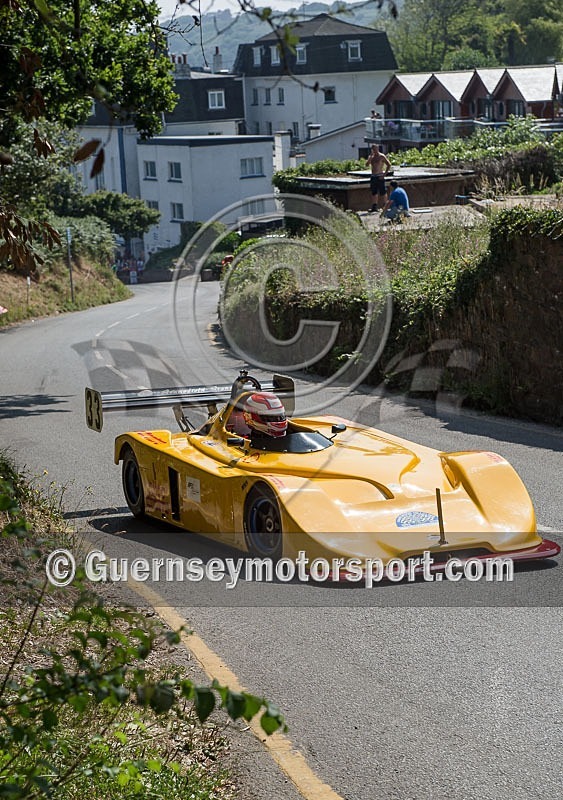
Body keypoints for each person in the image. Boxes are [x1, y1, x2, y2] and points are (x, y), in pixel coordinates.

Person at [366, 144, 391, 213]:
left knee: (383, 191)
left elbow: (389, 164)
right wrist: (370, 158)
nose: (375, 151)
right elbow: (366, 165)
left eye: (376, 149)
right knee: (374, 192)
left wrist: (384, 174)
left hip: (380, 175)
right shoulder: (371, 157)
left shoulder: (381, 156)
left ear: (378, 149)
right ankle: (374, 206)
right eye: (373, 149)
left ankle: (385, 206)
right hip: (373, 176)